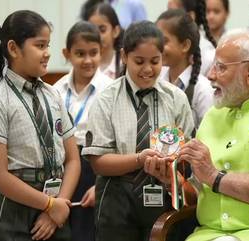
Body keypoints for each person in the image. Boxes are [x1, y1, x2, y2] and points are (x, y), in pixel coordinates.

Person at [146, 29, 249, 241]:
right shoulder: (212, 116)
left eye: (221, 67)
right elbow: (201, 194)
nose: (210, 75)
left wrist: (215, 177)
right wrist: (173, 181)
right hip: (210, 234)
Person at [82, 20, 195, 241]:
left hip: (162, 193)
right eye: (139, 61)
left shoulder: (175, 98)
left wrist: (169, 169)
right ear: (124, 56)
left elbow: (187, 155)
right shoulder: (107, 99)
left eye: (155, 61)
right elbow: (98, 162)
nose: (147, 69)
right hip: (116, 196)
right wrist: (140, 159)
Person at [0, 10, 80, 241]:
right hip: (15, 209)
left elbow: (73, 159)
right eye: (40, 45)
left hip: (57, 205)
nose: (47, 54)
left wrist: (58, 205)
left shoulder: (53, 94)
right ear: (14, 48)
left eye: (48, 45)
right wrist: (48, 204)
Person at [53, 21, 112, 241]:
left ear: (102, 52)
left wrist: (100, 186)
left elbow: (115, 143)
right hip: (62, 163)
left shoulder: (110, 89)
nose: (88, 60)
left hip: (95, 165)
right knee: (62, 228)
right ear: (67, 53)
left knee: (90, 231)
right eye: (79, 54)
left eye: (93, 53)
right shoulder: (55, 89)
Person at [157, 9, 213, 127]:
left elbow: (208, 134)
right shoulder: (158, 80)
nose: (158, 47)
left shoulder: (202, 90)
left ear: (185, 45)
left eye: (164, 41)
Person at [167, 0, 216, 76]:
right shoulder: (166, 50)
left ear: (190, 16)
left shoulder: (208, 56)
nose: (165, 18)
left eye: (171, 13)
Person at [81, 1, 123, 79]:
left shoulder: (124, 64)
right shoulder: (82, 64)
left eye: (102, 30)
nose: (97, 35)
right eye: (92, 29)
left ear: (115, 31)